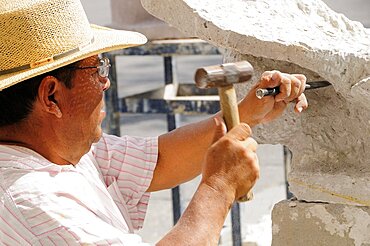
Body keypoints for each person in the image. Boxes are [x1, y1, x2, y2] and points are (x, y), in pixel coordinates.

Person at [0, 0, 308, 245]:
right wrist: (218, 188)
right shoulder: (32, 200)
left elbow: (160, 160)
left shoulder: (58, 148)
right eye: (96, 71)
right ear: (51, 96)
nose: (106, 83)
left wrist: (248, 111)